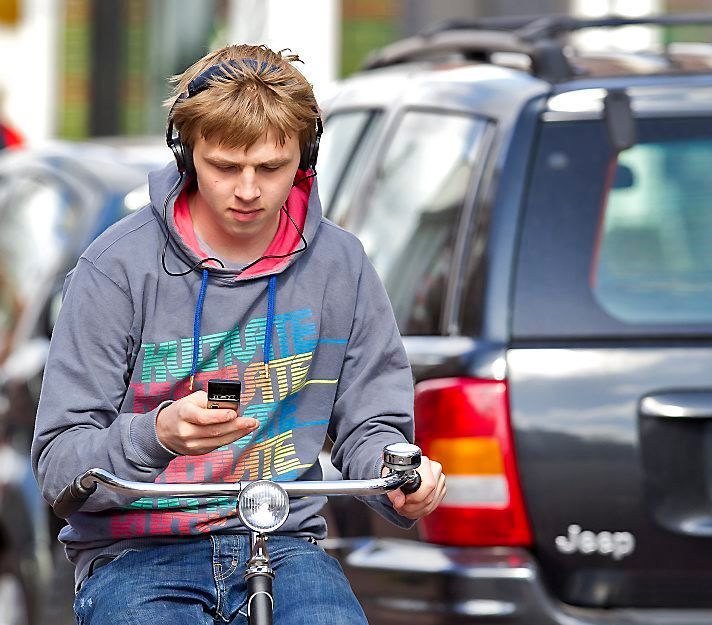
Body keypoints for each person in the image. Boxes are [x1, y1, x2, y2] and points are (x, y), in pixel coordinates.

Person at [32, 43, 447, 624]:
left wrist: (398, 473)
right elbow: (58, 465)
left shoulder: (341, 265)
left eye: (271, 168)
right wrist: (158, 436)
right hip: (136, 555)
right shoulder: (116, 269)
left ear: (303, 159)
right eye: (225, 167)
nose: (248, 190)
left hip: (285, 545)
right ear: (186, 155)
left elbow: (371, 426)